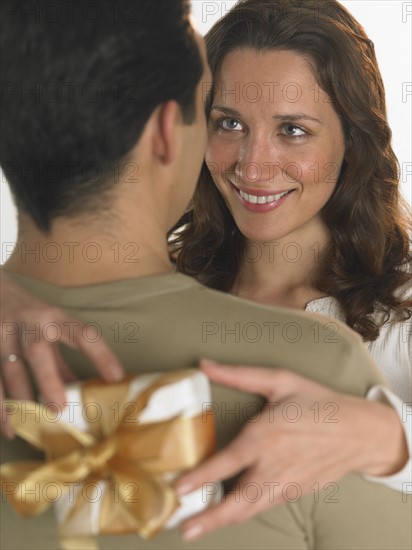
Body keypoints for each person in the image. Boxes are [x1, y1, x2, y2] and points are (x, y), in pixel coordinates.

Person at [0, 1, 410, 549]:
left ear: (353, 140)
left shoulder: (396, 315)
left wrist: (392, 438)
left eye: (292, 129)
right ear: (187, 126)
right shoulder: (157, 282)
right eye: (229, 123)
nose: (253, 165)